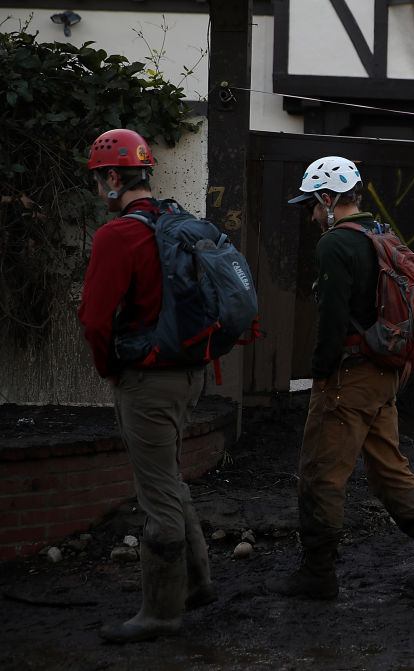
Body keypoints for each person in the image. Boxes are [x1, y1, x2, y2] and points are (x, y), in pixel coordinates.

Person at [267, 156, 414, 599]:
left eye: (313, 206)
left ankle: (317, 574)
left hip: (348, 379)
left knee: (321, 471)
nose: (313, 215)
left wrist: (320, 375)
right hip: (385, 375)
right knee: (389, 468)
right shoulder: (381, 236)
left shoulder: (335, 244)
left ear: (328, 199)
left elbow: (332, 321)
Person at [78, 128, 216, 643]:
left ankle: (160, 612)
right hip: (190, 375)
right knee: (170, 480)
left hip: (147, 383)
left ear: (114, 178)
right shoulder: (180, 223)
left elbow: (94, 320)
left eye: (99, 179)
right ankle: (198, 583)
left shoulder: (117, 236)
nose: (99, 189)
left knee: (156, 495)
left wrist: (109, 370)